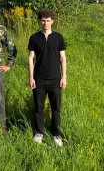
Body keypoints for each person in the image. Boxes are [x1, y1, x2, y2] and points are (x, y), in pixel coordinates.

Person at [28, 8, 67, 146]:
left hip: (55, 79)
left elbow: (63, 58)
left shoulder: (58, 37)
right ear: (39, 21)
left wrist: (64, 77)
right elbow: (31, 58)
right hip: (39, 79)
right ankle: (39, 132)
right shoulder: (34, 38)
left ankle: (56, 134)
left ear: (52, 21)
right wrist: (31, 78)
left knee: (56, 108)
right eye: (43, 20)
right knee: (38, 108)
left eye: (48, 20)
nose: (45, 23)